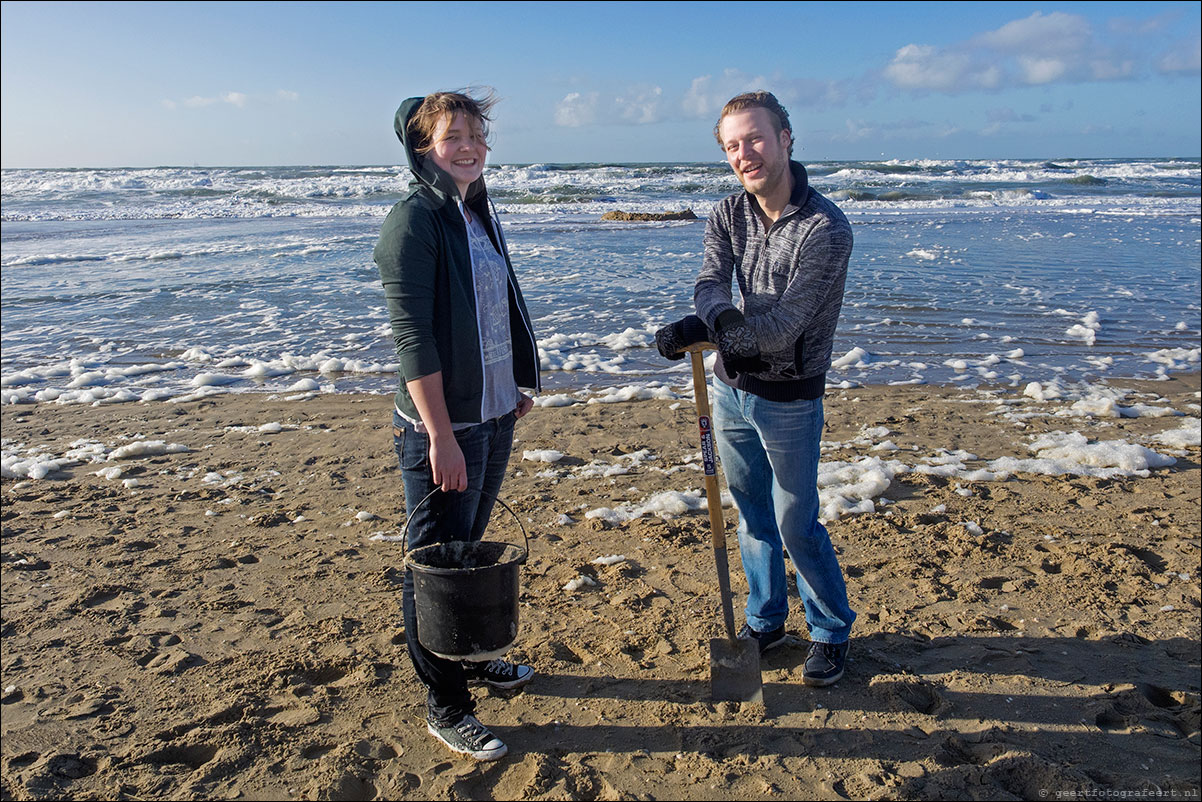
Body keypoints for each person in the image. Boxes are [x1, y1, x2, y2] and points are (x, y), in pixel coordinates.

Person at [656, 91, 856, 687]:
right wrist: (712, 323)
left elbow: (789, 323)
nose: (746, 154)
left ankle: (829, 628)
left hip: (791, 397)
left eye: (756, 138)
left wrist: (721, 332)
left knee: (797, 521)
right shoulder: (727, 213)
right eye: (733, 145)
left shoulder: (826, 227)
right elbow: (710, 283)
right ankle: (766, 621)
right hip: (730, 391)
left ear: (787, 138)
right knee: (751, 514)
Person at [374, 89, 541, 761]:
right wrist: (440, 435)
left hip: (493, 412)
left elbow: (494, 307)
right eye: (453, 137)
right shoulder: (412, 223)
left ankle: (470, 659)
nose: (469, 146)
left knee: (468, 550)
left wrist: (512, 385)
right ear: (423, 149)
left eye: (476, 134)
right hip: (443, 426)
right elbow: (413, 340)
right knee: (435, 564)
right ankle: (445, 704)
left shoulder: (472, 209)